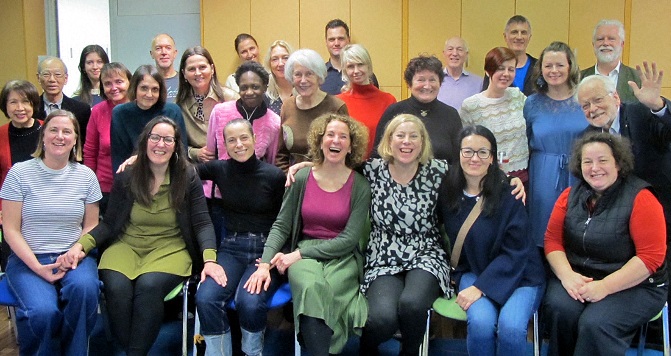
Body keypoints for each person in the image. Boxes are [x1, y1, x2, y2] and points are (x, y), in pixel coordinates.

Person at [63, 117, 225, 356]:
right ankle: (131, 350)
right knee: (116, 288)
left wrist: (209, 260)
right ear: (145, 141)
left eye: (168, 139)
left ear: (176, 145)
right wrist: (81, 245)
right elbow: (109, 223)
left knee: (149, 286)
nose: (160, 144)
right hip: (126, 244)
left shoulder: (187, 175)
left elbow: (202, 222)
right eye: (155, 137)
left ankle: (132, 353)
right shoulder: (128, 174)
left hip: (170, 248)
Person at [245, 114, 370, 356]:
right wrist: (265, 264)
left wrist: (297, 254)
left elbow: (348, 240)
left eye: (343, 136)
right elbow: (281, 225)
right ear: (320, 141)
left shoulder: (361, 186)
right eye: (330, 135)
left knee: (330, 291)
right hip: (303, 255)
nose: (336, 140)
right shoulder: (301, 177)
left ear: (351, 145)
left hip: (341, 256)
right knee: (311, 287)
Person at [543, 132, 667, 356]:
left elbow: (650, 259)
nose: (594, 167)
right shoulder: (569, 195)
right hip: (580, 276)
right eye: (587, 161)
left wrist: (604, 287)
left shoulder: (642, 198)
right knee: (561, 310)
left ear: (618, 163)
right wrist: (567, 276)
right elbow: (552, 240)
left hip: (637, 285)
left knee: (596, 324)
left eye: (603, 160)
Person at [1, 110, 101, 355]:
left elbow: (91, 226)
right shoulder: (19, 173)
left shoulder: (86, 176)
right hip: (28, 258)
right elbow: (10, 229)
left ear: (76, 139)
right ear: (42, 137)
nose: (60, 136)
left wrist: (74, 254)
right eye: (53, 130)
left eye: (67, 131)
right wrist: (37, 267)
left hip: (74, 257)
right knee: (42, 312)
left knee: (85, 290)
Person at [441, 125, 545, 356]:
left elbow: (517, 251)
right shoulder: (447, 193)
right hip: (473, 271)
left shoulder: (509, 194)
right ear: (458, 154)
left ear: (492, 158)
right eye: (467, 151)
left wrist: (480, 287)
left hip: (521, 275)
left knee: (511, 328)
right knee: (481, 324)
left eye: (482, 152)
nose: (474, 158)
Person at [578, 64, 671, 307]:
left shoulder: (642, 113)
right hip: (621, 222)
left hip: (662, 212)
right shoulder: (588, 136)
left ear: (616, 97)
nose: (593, 108)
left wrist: (659, 107)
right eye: (585, 105)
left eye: (598, 100)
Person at [360, 114, 451, 356]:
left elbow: (476, 177)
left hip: (426, 252)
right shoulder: (371, 170)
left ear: (423, 142)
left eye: (414, 136)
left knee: (412, 305)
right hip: (383, 254)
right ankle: (366, 349)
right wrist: (305, 165)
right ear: (389, 140)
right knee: (382, 320)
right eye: (400, 135)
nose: (406, 142)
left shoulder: (438, 171)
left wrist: (510, 181)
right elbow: (333, 168)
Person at [195, 119, 286, 356]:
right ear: (224, 144)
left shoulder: (274, 176)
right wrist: (140, 158)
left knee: (250, 302)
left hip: (266, 250)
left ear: (255, 139)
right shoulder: (219, 169)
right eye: (232, 140)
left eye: (244, 138)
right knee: (206, 298)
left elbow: (285, 223)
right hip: (231, 248)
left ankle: (251, 353)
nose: (239, 144)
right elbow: (181, 170)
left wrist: (272, 259)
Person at [206, 60, 281, 242]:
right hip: (219, 198)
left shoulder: (274, 122)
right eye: (244, 87)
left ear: (265, 87)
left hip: (252, 201)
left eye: (255, 86)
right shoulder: (220, 111)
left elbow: (270, 162)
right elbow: (210, 152)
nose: (249, 92)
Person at [524, 42, 586, 247]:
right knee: (544, 230)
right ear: (540, 69)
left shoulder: (584, 98)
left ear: (570, 67)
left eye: (559, 65)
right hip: (543, 174)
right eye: (548, 65)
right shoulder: (531, 103)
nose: (554, 71)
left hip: (580, 173)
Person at [372, 55, 462, 164]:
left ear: (440, 83)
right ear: (409, 84)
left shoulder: (451, 115)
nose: (427, 86)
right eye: (421, 80)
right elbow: (378, 154)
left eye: (432, 80)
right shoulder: (394, 111)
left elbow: (458, 159)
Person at [461, 47, 529, 181]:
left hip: (521, 175)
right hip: (487, 176)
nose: (506, 74)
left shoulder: (517, 96)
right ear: (488, 71)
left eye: (511, 69)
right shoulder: (471, 105)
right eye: (500, 69)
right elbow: (464, 146)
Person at [275, 48, 348, 172]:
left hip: (328, 180)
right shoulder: (287, 106)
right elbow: (281, 154)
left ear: (319, 77)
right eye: (298, 74)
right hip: (293, 182)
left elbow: (346, 154)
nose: (303, 80)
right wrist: (288, 177)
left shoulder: (336, 107)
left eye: (309, 74)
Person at [110, 64, 187, 173]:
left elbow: (181, 154)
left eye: (155, 89)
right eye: (144, 88)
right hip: (133, 176)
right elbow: (118, 158)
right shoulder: (119, 113)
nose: (149, 94)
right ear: (134, 88)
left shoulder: (173, 111)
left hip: (168, 175)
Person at [84, 62, 132, 215]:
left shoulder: (140, 108)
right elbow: (90, 152)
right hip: (106, 188)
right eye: (108, 84)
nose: (114, 87)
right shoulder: (97, 111)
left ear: (130, 82)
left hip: (138, 185)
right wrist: (90, 184)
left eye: (119, 81)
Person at [175, 46, 238, 164]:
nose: (198, 73)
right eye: (192, 69)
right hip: (195, 169)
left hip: (230, 165)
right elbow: (175, 143)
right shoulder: (178, 106)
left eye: (202, 67)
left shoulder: (231, 98)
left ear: (212, 69)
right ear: (184, 73)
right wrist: (195, 153)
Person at [336, 44, 396, 157]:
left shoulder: (388, 100)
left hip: (380, 167)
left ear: (368, 66)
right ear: (344, 70)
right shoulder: (338, 102)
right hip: (348, 168)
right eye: (350, 66)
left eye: (360, 65)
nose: (356, 71)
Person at [0, 80, 43, 227]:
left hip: (45, 208)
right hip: (10, 209)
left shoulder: (49, 130)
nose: (20, 108)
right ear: (5, 106)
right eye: (13, 102)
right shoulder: (1, 135)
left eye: (25, 101)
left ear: (33, 103)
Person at [35, 56, 92, 147]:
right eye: (46, 74)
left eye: (57, 74)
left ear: (65, 78)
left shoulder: (81, 110)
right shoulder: (31, 108)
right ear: (38, 78)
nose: (52, 79)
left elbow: (84, 145)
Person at [580, 19, 641, 103]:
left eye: (611, 39)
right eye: (600, 39)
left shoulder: (638, 79)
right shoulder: (578, 79)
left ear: (622, 44)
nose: (605, 43)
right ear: (593, 44)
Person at [320, 19, 379, 95]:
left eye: (341, 39)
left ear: (349, 39)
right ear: (326, 42)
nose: (336, 43)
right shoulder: (319, 75)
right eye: (332, 39)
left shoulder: (365, 74)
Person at [482, 15, 537, 96]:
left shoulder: (539, 67)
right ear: (505, 37)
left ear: (529, 37)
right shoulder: (495, 66)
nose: (519, 37)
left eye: (523, 33)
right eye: (514, 32)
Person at [437, 37, 483, 111]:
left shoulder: (479, 82)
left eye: (460, 49)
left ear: (466, 54)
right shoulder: (434, 80)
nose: (455, 53)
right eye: (450, 49)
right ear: (444, 53)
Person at [264, 40, 294, 115]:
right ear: (269, 63)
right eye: (275, 59)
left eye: (285, 58)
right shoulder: (264, 94)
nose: (280, 63)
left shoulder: (303, 90)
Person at [149, 33, 179, 103]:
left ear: (175, 53)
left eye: (168, 48)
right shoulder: (145, 83)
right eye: (158, 48)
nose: (164, 52)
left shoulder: (185, 81)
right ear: (152, 54)